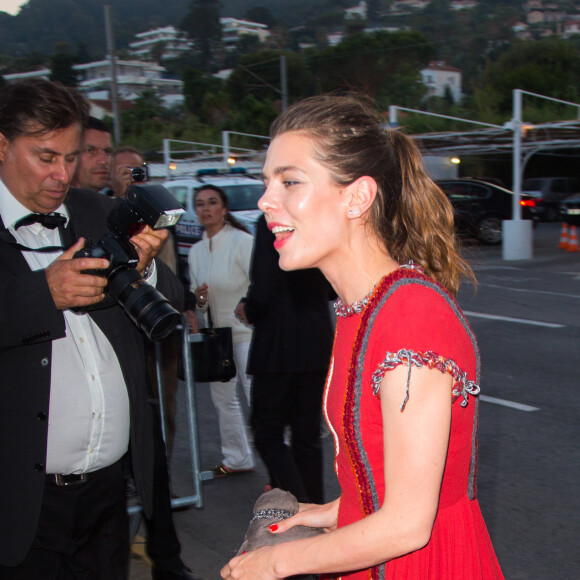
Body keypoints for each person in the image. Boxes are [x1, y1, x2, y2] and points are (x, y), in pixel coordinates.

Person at [221, 94, 504, 579]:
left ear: (357, 197)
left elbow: (407, 525)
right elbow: (386, 477)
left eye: (290, 181)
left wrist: (275, 563)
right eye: (267, 182)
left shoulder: (411, 316)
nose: (267, 201)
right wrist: (328, 511)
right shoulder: (366, 307)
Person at [0, 79, 184, 579]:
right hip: (19, 505)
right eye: (45, 157)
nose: (62, 174)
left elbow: (173, 294)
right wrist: (45, 295)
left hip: (108, 495)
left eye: (70, 156)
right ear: (1, 145)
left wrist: (145, 266)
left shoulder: (97, 210)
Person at [236, 214, 334, 503]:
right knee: (307, 436)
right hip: (316, 338)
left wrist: (250, 309)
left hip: (278, 342)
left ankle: (299, 505)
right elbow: (332, 287)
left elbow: (263, 283)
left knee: (267, 431)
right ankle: (314, 508)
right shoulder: (319, 219)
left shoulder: (272, 220)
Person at [186, 185, 255, 477]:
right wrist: (199, 300)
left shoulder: (242, 242)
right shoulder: (195, 251)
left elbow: (260, 285)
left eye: (212, 203)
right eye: (200, 204)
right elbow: (198, 301)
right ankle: (237, 458)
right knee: (224, 402)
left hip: (247, 335)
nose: (206, 209)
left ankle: (282, 462)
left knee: (258, 399)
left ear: (224, 209)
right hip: (218, 338)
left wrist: (249, 306)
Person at [71, 116, 112, 192]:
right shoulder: (52, 203)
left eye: (107, 152)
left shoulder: (113, 201)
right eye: (90, 151)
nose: (103, 161)